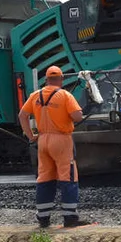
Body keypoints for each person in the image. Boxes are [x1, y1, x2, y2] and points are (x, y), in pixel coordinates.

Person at [18, 65, 87, 228]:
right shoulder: (64, 95)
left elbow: (22, 115)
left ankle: (43, 218)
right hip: (61, 140)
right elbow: (77, 116)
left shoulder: (36, 95)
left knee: (45, 177)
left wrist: (30, 136)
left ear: (46, 80)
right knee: (67, 176)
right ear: (61, 79)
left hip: (42, 140)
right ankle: (70, 218)